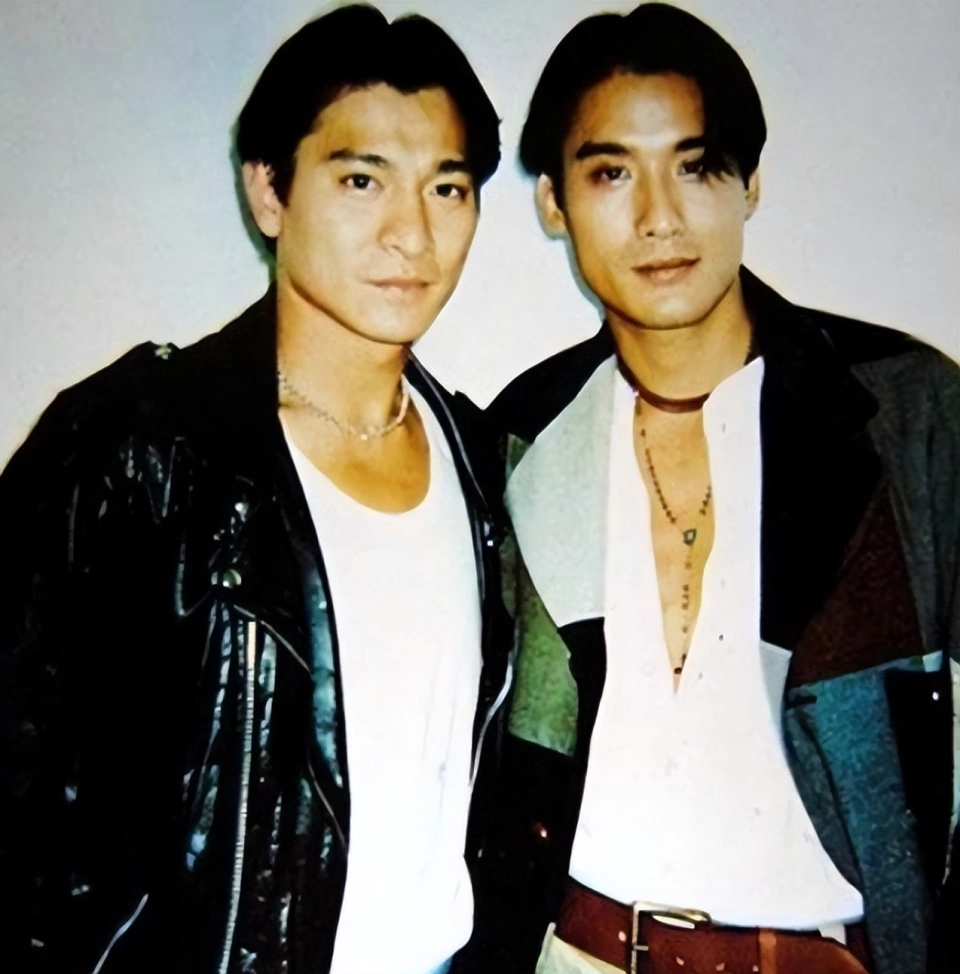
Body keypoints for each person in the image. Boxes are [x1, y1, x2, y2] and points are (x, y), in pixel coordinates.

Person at [0, 6, 510, 973]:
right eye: (362, 180)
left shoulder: (478, 458)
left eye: (447, 188)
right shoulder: (135, 447)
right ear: (269, 191)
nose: (411, 233)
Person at [470, 4, 959, 974]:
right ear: (554, 204)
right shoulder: (524, 433)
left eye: (695, 167)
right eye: (611, 173)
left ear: (750, 183)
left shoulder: (908, 412)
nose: (659, 216)